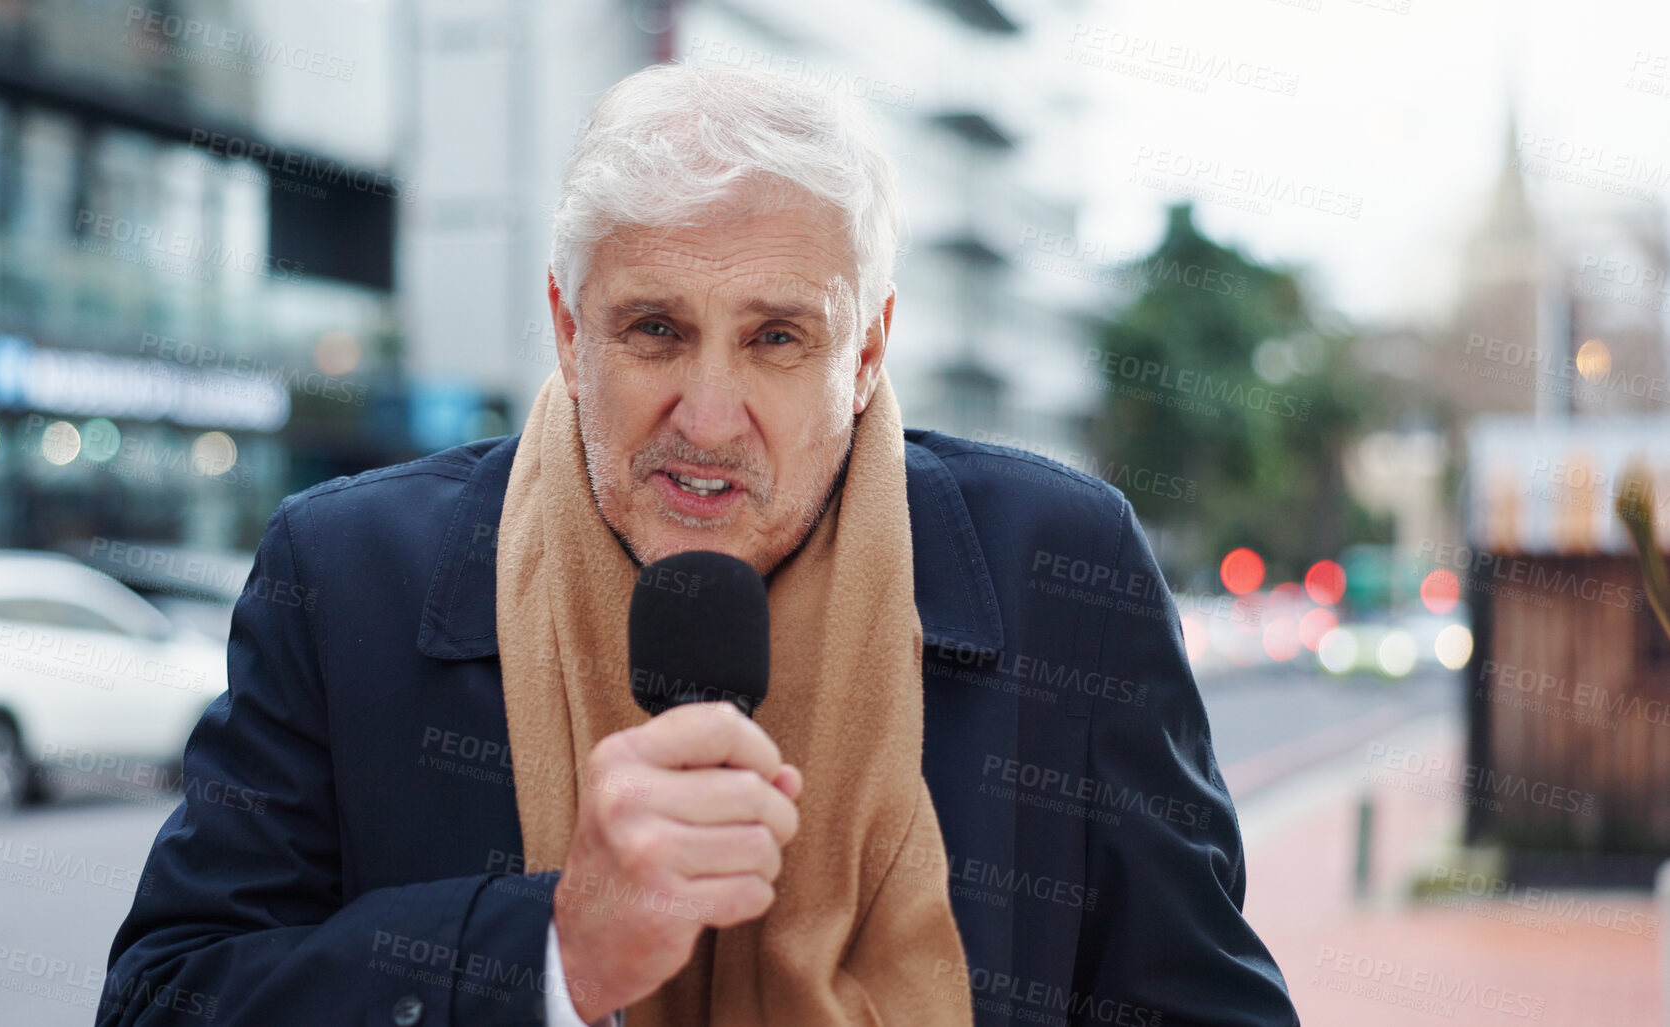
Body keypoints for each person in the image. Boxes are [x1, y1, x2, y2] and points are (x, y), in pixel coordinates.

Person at [100, 63, 1299, 1027]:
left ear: (868, 351)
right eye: (656, 329)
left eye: (778, 337)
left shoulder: (1061, 569)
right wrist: (553, 951)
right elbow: (161, 997)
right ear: (570, 331)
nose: (710, 415)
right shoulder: (345, 574)